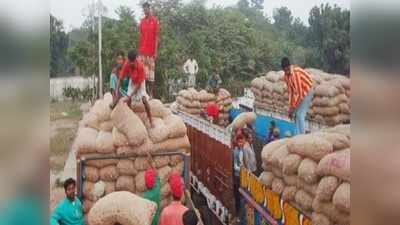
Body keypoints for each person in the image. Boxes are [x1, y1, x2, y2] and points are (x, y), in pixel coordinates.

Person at [113, 50, 154, 127]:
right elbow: (120, 79)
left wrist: (129, 96)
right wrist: (116, 90)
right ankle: (130, 118)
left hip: (140, 82)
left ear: (135, 60)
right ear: (128, 59)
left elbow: (138, 85)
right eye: (129, 61)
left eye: (132, 62)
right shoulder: (126, 64)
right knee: (129, 102)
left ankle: (151, 119)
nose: (131, 63)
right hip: (132, 81)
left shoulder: (140, 66)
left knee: (144, 100)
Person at [281, 57, 314, 135]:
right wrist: (290, 108)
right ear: (283, 70)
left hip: (307, 91)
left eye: (288, 69)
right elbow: (291, 93)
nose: (288, 71)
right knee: (295, 114)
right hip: (300, 93)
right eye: (286, 70)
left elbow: (299, 94)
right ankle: (297, 134)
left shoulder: (296, 73)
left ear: (290, 66)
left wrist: (293, 108)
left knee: (300, 114)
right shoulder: (286, 77)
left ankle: (302, 136)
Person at [138, 2, 160, 98]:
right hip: (142, 51)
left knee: (151, 75)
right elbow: (141, 36)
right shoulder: (142, 21)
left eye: (147, 8)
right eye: (144, 9)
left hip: (151, 52)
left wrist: (155, 51)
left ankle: (151, 93)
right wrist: (139, 50)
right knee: (143, 74)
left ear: (149, 9)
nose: (145, 10)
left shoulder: (154, 21)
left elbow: (157, 37)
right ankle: (145, 92)